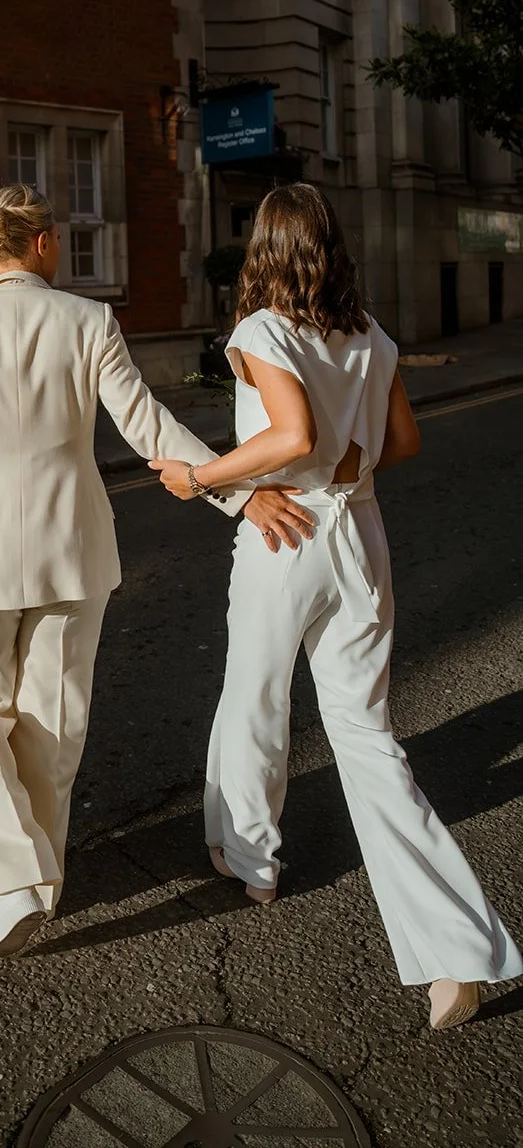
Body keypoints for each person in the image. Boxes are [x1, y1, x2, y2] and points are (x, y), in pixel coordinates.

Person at [0, 184, 311, 962]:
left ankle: (15, 879)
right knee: (53, 715)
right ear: (42, 243)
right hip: (71, 545)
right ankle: (35, 886)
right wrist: (237, 492)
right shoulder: (86, 319)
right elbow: (146, 421)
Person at [151, 183, 521, 1029]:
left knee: (254, 698)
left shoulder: (258, 330)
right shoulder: (369, 333)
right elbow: (403, 442)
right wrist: (342, 485)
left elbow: (289, 439)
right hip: (360, 534)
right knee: (365, 737)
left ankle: (255, 863)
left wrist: (198, 478)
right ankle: (453, 958)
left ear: (264, 249)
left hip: (285, 537)